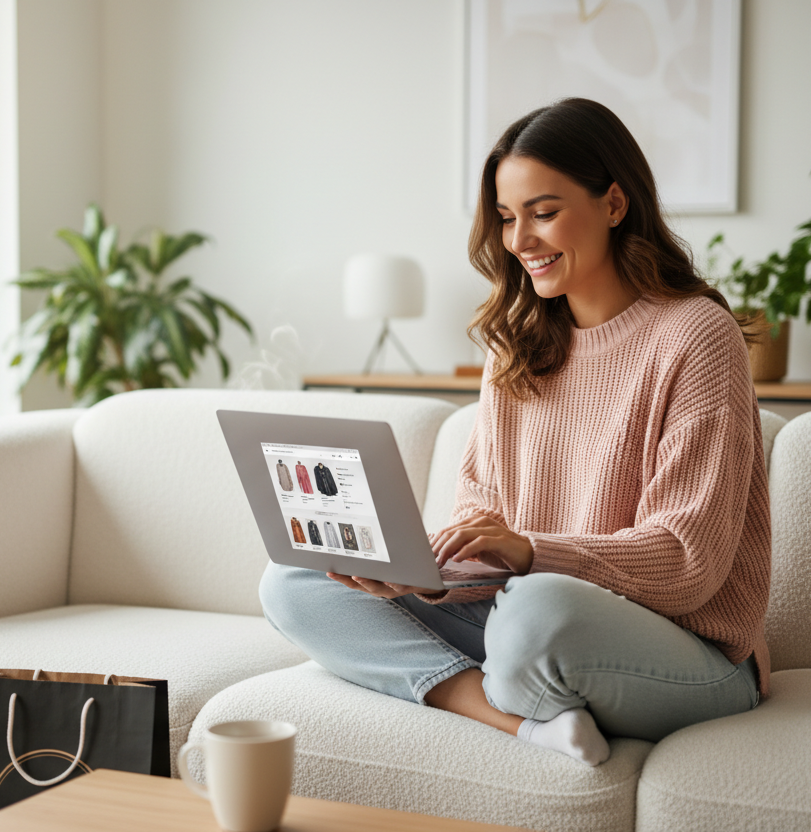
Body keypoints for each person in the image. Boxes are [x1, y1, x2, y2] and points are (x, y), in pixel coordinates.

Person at [259, 98, 770, 767]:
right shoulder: (515, 345)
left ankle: (516, 681)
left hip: (683, 650)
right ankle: (517, 720)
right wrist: (424, 577)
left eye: (543, 212)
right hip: (523, 621)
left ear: (614, 203)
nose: (520, 240)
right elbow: (485, 523)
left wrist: (530, 553)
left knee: (535, 612)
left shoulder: (696, 336)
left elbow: (685, 565)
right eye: (506, 218)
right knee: (293, 578)